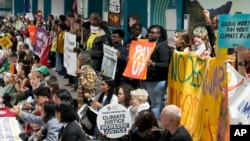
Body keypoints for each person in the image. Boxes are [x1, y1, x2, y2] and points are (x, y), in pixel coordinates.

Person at [140, 25, 172, 120]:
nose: (150, 34)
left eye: (153, 33)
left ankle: (155, 126)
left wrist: (153, 64)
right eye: (149, 32)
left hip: (156, 80)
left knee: (156, 105)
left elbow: (166, 64)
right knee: (145, 104)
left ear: (159, 34)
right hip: (144, 79)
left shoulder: (162, 46)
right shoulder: (144, 44)